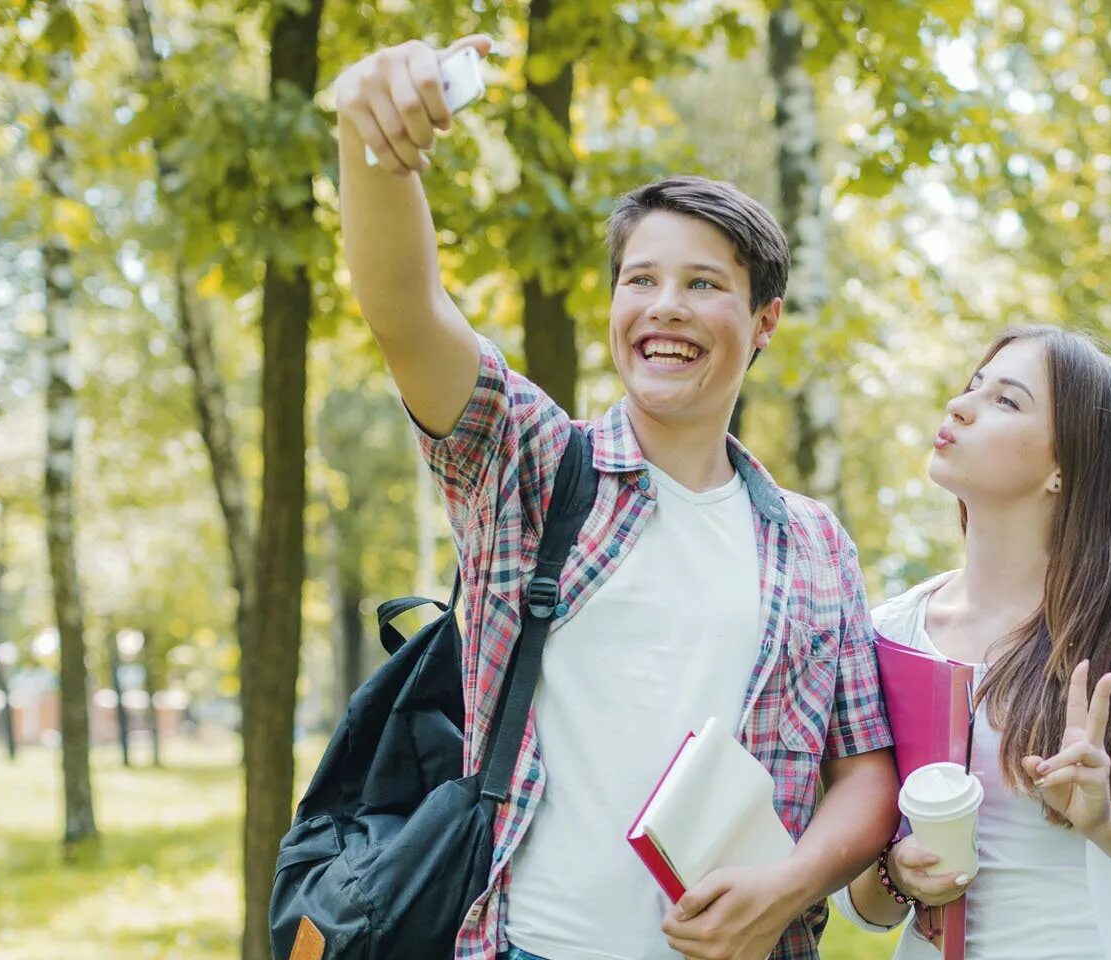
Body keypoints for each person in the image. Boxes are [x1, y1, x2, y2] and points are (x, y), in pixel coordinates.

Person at [332, 35, 900, 960]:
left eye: (703, 284)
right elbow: (406, 310)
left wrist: (786, 889)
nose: (665, 305)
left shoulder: (814, 542)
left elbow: (866, 774)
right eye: (641, 280)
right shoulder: (532, 466)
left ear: (764, 324)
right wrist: (377, 150)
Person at [830, 326, 1111, 960]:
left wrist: (1102, 819)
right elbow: (861, 905)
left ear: (1064, 468)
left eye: (1006, 401)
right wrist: (900, 873)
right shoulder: (890, 635)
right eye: (972, 387)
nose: (960, 406)